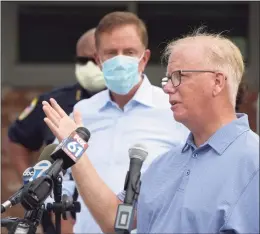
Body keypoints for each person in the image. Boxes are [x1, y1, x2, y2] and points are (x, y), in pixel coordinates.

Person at [42, 28, 259, 234]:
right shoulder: (164, 165)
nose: (166, 87)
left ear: (217, 82)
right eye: (168, 78)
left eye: (179, 76)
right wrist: (74, 151)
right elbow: (115, 220)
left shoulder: (253, 163)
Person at [44, 11, 189, 233]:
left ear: (145, 58)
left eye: (129, 52)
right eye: (111, 53)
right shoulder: (82, 113)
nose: (120, 60)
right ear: (98, 61)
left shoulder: (173, 110)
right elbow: (60, 176)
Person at [6, 28, 106, 234]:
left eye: (97, 59)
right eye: (84, 60)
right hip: (61, 214)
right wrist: (33, 183)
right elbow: (17, 138)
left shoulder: (133, 105)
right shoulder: (54, 101)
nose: (91, 66)